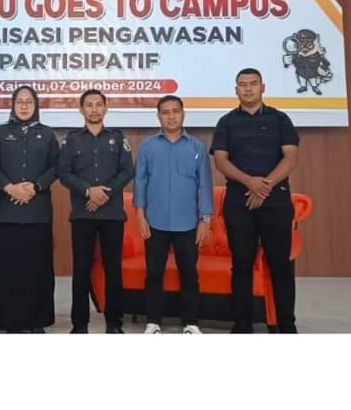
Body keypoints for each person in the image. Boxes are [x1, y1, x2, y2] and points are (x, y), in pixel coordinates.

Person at [211, 68, 301, 333]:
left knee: (280, 266)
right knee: (241, 265)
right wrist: (250, 182)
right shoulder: (226, 122)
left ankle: (286, 325)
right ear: (236, 90)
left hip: (276, 203)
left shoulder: (280, 119)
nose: (248, 88)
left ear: (263, 87)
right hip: (239, 203)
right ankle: (242, 325)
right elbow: (221, 161)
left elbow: (291, 157)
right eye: (242, 84)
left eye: (253, 84)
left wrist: (264, 186)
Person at [134, 96, 214, 334]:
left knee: (189, 274)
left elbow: (205, 185)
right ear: (158, 116)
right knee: (154, 274)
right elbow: (140, 182)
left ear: (183, 114)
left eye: (175, 111)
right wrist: (140, 215)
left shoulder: (197, 147)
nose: (171, 116)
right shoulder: (148, 147)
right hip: (154, 221)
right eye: (165, 112)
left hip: (188, 223)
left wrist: (205, 219)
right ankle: (153, 322)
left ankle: (191, 323)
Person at [0, 86, 59, 333]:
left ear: (36, 105)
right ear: (12, 105)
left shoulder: (47, 134)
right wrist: (10, 188)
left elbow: (55, 167)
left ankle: (38, 321)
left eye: (29, 101)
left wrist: (35, 187)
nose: (24, 106)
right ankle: (10, 321)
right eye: (19, 101)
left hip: (38, 211)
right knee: (10, 269)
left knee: (38, 269)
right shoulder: (0, 132)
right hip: (8, 211)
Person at [58, 89, 135, 333]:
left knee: (113, 270)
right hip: (83, 214)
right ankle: (79, 325)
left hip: (112, 215)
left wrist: (104, 194)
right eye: (89, 105)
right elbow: (63, 173)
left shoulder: (117, 138)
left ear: (105, 108)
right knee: (81, 270)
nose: (94, 109)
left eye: (98, 104)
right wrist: (88, 191)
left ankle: (114, 323)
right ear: (81, 110)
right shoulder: (71, 140)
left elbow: (127, 170)